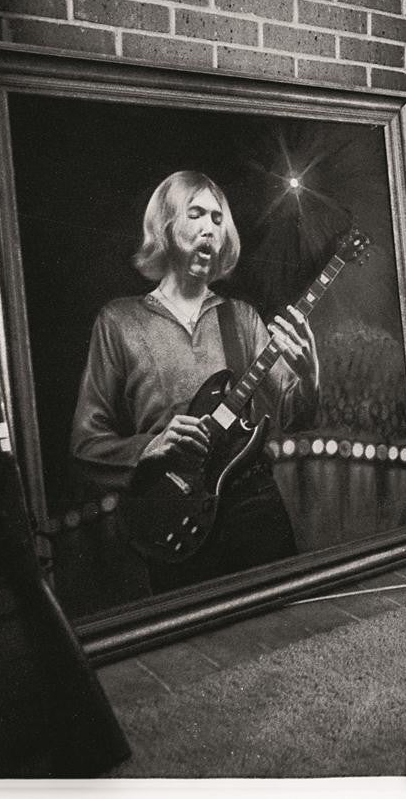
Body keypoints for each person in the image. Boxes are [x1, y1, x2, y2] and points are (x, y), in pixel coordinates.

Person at [71, 170, 319, 592]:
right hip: (174, 515)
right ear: (167, 225)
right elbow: (86, 443)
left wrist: (310, 375)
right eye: (197, 214)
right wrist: (150, 446)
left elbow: (295, 416)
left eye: (218, 220)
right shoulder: (119, 321)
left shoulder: (240, 318)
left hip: (254, 508)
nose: (210, 228)